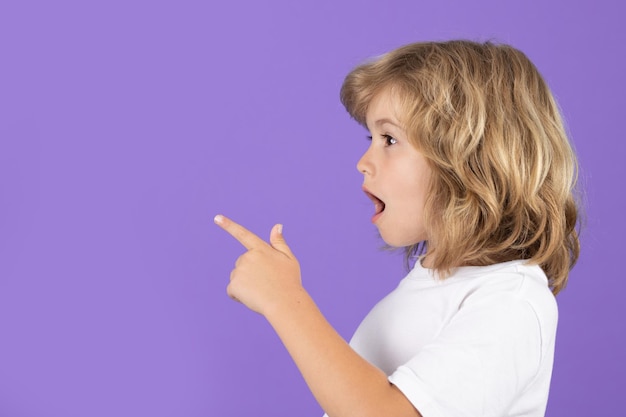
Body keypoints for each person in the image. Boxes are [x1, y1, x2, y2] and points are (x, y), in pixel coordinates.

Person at [214, 40, 581, 417]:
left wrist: (284, 301)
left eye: (389, 139)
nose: (363, 162)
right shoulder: (432, 290)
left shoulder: (511, 302)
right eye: (370, 138)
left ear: (468, 161)